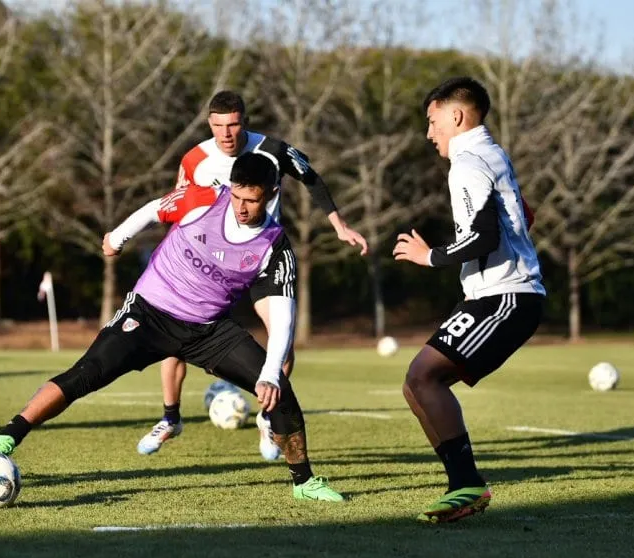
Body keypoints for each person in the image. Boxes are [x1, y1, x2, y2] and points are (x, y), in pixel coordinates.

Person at [0, 153, 344, 502]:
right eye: (237, 196)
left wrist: (269, 374)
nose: (242, 207)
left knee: (282, 393)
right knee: (87, 373)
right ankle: (7, 437)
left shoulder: (275, 247)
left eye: (252, 199)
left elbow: (283, 316)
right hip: (150, 313)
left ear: (273, 194)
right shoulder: (203, 199)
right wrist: (118, 237)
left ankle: (305, 482)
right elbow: (156, 208)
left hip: (208, 330)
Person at [136, 90, 367, 460]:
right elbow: (179, 206)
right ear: (208, 124)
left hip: (261, 260)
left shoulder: (272, 150)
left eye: (233, 124)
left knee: (283, 341)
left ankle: (266, 417)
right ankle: (171, 418)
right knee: (171, 336)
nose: (226, 133)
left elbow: (311, 178)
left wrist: (338, 225)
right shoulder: (194, 159)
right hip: (209, 264)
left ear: (244, 121)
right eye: (217, 126)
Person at [392, 77, 545, 523]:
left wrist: (429, 256)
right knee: (416, 382)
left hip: (504, 297)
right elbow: (522, 216)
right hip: (500, 293)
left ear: (455, 116)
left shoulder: (467, 161)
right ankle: (462, 484)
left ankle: (467, 484)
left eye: (432, 120)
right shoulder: (491, 154)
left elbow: (484, 235)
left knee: (423, 377)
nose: (428, 132)